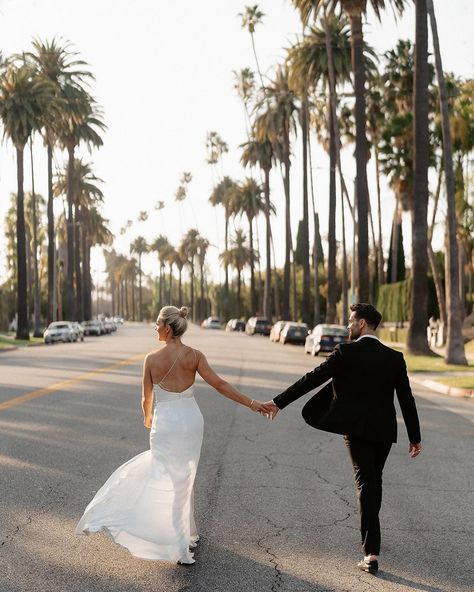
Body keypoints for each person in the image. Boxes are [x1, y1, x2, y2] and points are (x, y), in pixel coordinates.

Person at [76, 305, 268, 564]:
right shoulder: (195, 356)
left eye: (157, 323)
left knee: (166, 475)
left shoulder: (151, 359)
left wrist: (147, 417)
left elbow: (147, 398)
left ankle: (178, 543)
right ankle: (183, 534)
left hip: (165, 423)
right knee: (184, 479)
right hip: (190, 421)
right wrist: (253, 403)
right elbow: (220, 384)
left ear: (167, 328)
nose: (155, 328)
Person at [262, 303, 422, 575]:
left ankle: (371, 552)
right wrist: (414, 436)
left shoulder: (345, 352)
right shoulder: (394, 358)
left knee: (366, 482)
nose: (348, 326)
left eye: (350, 322)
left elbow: (312, 379)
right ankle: (372, 533)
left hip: (356, 429)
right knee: (374, 480)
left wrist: (279, 402)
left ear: (362, 324)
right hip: (384, 431)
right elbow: (406, 398)